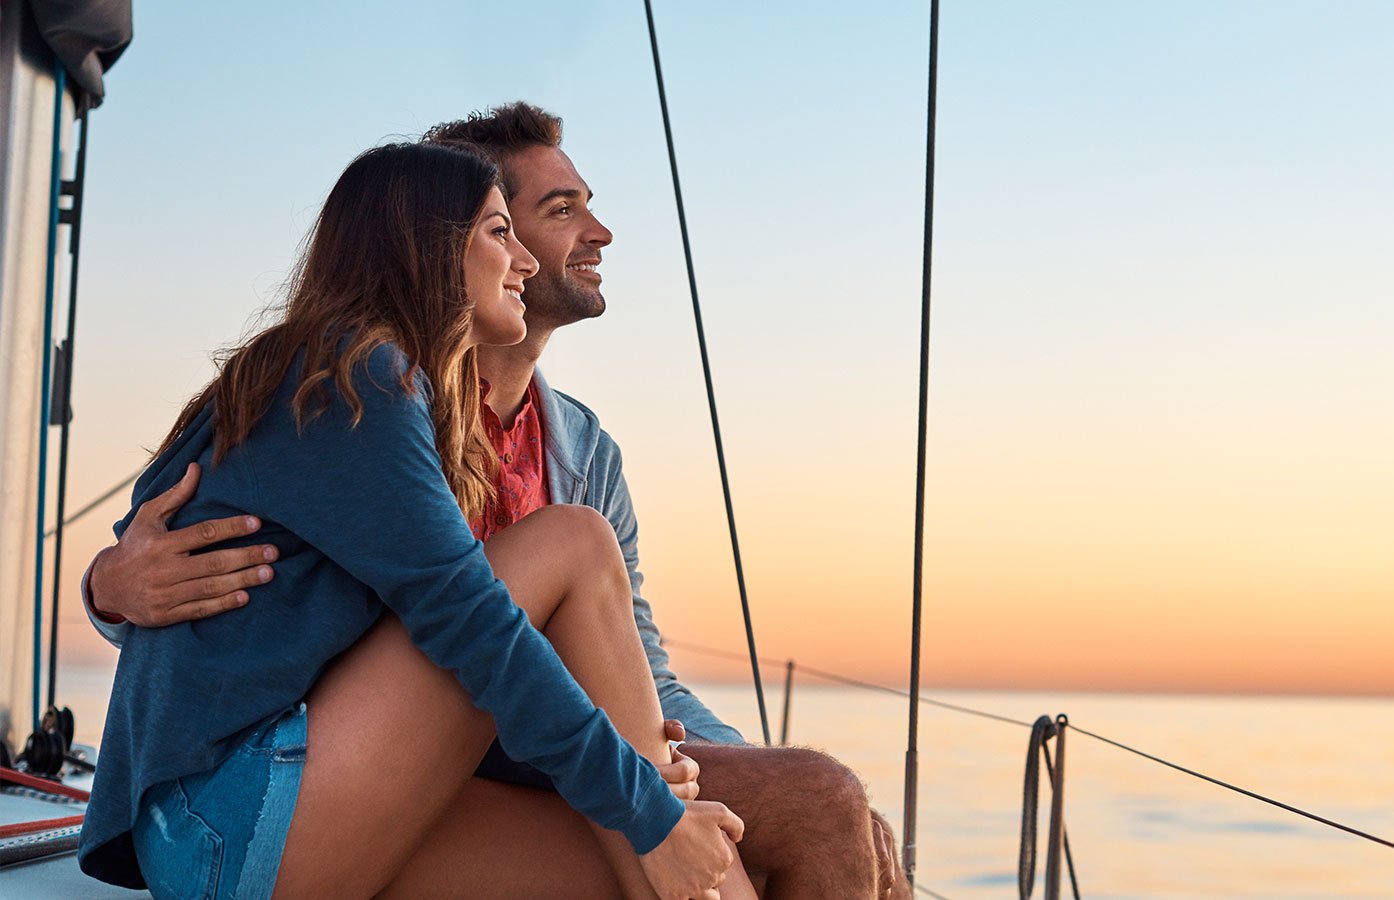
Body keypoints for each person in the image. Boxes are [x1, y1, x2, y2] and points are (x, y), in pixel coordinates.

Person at [84, 103, 909, 899]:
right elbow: (468, 623)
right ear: (431, 247)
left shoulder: (556, 441)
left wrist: (674, 793)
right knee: (576, 547)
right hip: (241, 812)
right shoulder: (357, 378)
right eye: (504, 230)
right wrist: (107, 585)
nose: (523, 259)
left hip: (324, 799)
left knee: (704, 858)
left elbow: (634, 666)